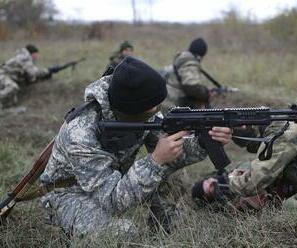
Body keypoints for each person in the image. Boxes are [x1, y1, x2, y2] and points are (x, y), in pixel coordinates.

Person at [39, 56, 232, 237]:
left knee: (170, 170)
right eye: (152, 108)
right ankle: (62, 225)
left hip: (110, 182)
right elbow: (111, 199)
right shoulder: (81, 133)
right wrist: (154, 161)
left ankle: (164, 229)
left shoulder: (143, 110)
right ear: (131, 110)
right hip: (69, 193)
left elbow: (170, 150)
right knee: (122, 234)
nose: (157, 112)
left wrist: (203, 143)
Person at [192, 89, 297, 216]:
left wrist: (226, 185)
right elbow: (261, 144)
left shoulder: (287, 133)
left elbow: (253, 181)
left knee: (291, 208)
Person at [161, 37, 211, 111]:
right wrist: (206, 94)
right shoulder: (189, 62)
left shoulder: (182, 59)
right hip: (173, 105)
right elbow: (191, 86)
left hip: (168, 102)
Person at [0, 44, 50, 109]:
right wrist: (48, 70)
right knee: (13, 87)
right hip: (3, 75)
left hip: (8, 77)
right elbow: (33, 72)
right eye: (36, 54)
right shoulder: (25, 58)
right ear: (33, 53)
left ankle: (5, 109)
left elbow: (30, 76)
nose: (38, 56)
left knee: (13, 100)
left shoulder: (24, 57)